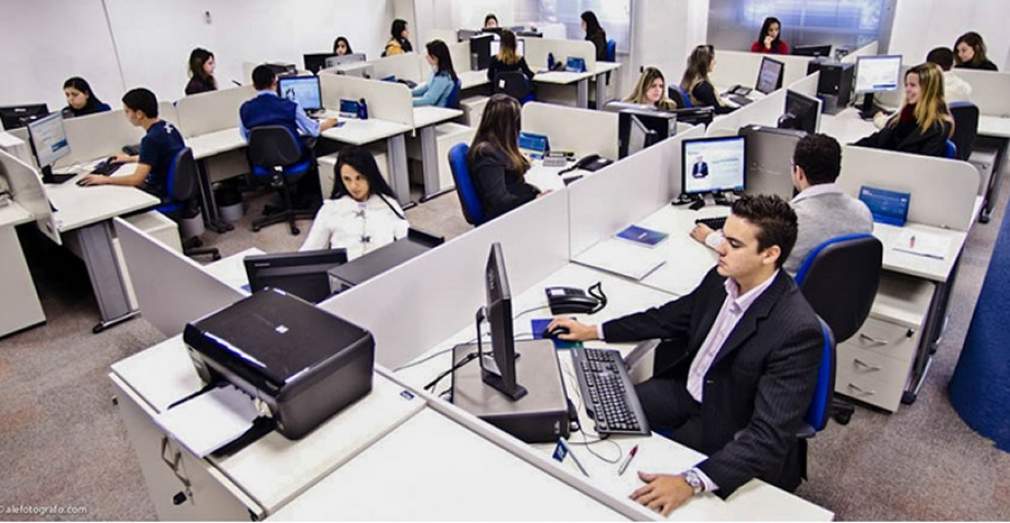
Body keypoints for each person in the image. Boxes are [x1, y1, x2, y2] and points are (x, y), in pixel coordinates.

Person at [548, 194, 822, 516]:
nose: (720, 248)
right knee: (598, 418)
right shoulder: (722, 278)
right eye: (723, 238)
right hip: (686, 390)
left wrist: (690, 481)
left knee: (647, 486)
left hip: (731, 422)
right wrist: (595, 330)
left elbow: (769, 435)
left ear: (770, 254)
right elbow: (668, 317)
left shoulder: (796, 331)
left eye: (734, 244)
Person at [691, 134, 873, 275]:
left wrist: (710, 237)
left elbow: (747, 258)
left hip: (785, 303)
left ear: (798, 172)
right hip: (838, 301)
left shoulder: (788, 220)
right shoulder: (863, 211)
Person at [239, 65, 338, 208]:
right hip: (293, 160)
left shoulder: (245, 109)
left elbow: (246, 137)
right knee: (315, 145)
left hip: (264, 163)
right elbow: (314, 131)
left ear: (254, 85)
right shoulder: (290, 106)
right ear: (275, 81)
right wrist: (330, 122)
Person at [300, 146, 408, 259]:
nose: (353, 186)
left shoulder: (389, 205)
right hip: (345, 268)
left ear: (370, 176)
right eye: (347, 179)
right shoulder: (330, 209)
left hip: (383, 267)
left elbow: (409, 245)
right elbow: (309, 252)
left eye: (359, 178)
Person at [77, 88, 183, 202]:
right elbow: (160, 157)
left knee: (116, 194)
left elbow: (136, 179)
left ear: (139, 114)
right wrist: (130, 159)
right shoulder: (167, 126)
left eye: (127, 111)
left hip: (160, 192)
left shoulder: (150, 140)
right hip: (174, 188)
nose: (126, 115)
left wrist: (105, 179)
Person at [467, 94, 542, 220]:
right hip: (507, 217)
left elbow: (511, 168)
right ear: (509, 126)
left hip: (517, 200)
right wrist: (534, 199)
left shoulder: (498, 145)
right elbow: (500, 202)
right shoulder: (486, 155)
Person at [855, 63, 954, 158]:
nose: (907, 89)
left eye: (913, 85)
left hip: (900, 167)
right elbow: (878, 140)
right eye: (906, 85)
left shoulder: (939, 126)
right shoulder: (904, 115)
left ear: (929, 90)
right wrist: (850, 149)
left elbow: (922, 164)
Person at [680, 45, 734, 114]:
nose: (715, 62)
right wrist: (740, 110)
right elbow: (718, 109)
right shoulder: (702, 87)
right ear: (705, 62)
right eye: (712, 59)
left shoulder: (691, 78)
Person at [412, 40, 459, 107]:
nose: (426, 57)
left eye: (428, 55)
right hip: (433, 108)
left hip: (437, 110)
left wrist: (407, 102)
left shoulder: (443, 77)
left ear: (435, 58)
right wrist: (407, 93)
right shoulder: (437, 72)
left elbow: (429, 100)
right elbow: (426, 87)